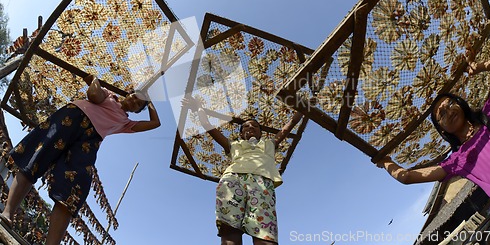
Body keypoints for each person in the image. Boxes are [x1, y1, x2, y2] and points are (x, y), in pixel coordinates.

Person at [1, 74, 161, 245]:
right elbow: (93, 95)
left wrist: (148, 100)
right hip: (71, 118)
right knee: (36, 159)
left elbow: (155, 123)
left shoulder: (126, 123)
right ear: (127, 94)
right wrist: (95, 82)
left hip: (89, 142)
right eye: (134, 97)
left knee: (74, 189)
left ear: (136, 111)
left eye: (138, 105)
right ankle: (8, 213)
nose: (134, 102)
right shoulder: (108, 95)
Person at [377, 56, 490, 230]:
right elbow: (407, 177)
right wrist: (385, 162)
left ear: (460, 104)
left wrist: (478, 66)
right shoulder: (456, 161)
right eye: (441, 114)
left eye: (450, 103)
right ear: (443, 130)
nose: (448, 110)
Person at [182, 95, 304, 245]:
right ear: (241, 133)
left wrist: (303, 107)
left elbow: (291, 123)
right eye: (246, 126)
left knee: (264, 233)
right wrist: (198, 107)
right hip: (233, 180)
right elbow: (207, 125)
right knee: (230, 231)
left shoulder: (269, 144)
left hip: (262, 183)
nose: (251, 127)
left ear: (261, 133)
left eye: (255, 126)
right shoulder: (234, 145)